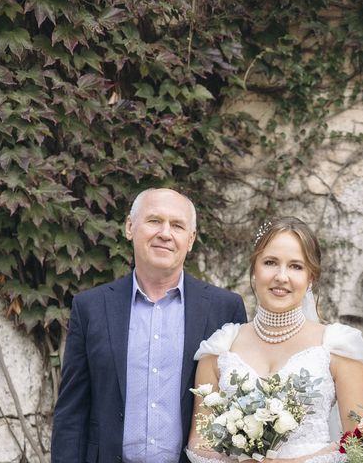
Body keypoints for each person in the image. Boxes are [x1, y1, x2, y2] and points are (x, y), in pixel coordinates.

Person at [51, 188, 247, 463]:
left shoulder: (224, 308)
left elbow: (238, 408)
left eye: (177, 225)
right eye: (154, 221)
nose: (165, 233)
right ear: (130, 227)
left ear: (190, 240)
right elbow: (71, 412)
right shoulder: (90, 308)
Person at [186, 217, 363, 463]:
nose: (281, 276)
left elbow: (359, 441)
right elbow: (199, 440)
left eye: (296, 266)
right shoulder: (220, 347)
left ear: (311, 277)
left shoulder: (338, 346)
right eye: (270, 262)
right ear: (255, 270)